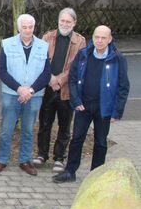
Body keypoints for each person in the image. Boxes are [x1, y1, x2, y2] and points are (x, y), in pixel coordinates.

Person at [53, 25, 130, 183]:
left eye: (103, 38)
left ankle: (96, 175)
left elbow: (123, 86)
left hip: (104, 108)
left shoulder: (118, 58)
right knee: (77, 139)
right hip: (83, 106)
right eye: (97, 37)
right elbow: (73, 79)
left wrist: (117, 111)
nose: (100, 41)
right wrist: (76, 100)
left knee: (101, 141)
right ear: (92, 38)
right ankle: (70, 171)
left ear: (110, 39)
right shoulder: (83, 55)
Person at [0, 14, 51, 176]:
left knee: (28, 130)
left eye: (30, 27)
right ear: (19, 28)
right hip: (12, 94)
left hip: (34, 96)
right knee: (6, 129)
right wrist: (19, 89)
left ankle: (25, 160)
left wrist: (30, 90)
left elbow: (46, 74)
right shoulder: (8, 44)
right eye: (24, 27)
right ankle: (1, 160)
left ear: (34, 27)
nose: (27, 30)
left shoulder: (42, 46)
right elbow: (2, 71)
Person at [33, 8, 86, 172]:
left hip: (67, 90)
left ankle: (59, 157)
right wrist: (50, 79)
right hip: (48, 88)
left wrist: (60, 80)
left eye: (68, 21)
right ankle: (42, 154)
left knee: (64, 125)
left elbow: (79, 66)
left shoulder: (80, 41)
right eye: (62, 20)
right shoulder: (47, 37)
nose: (64, 24)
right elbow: (39, 60)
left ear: (74, 23)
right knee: (45, 123)